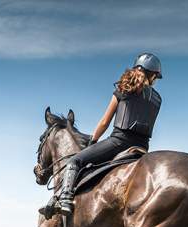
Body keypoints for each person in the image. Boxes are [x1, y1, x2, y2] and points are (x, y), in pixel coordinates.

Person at [58, 52, 162, 216]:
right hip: (142, 148)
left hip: (119, 143)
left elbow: (104, 122)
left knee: (75, 161)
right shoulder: (158, 99)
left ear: (136, 68)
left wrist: (93, 141)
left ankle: (64, 199)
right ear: (154, 75)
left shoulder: (124, 87)